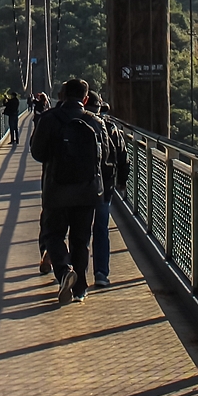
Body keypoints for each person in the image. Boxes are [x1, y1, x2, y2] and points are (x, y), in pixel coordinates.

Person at [30, 77, 109, 305]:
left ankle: (64, 272)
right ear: (85, 98)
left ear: (62, 96)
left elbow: (37, 153)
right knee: (81, 239)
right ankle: (81, 289)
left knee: (53, 235)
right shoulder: (95, 122)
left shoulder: (48, 119)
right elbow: (104, 157)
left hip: (56, 190)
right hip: (87, 192)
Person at [84, 93, 129, 287]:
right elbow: (123, 157)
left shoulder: (77, 123)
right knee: (101, 228)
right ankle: (101, 273)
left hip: (81, 186)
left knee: (81, 230)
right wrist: (122, 181)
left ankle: (78, 273)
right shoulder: (110, 127)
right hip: (106, 186)